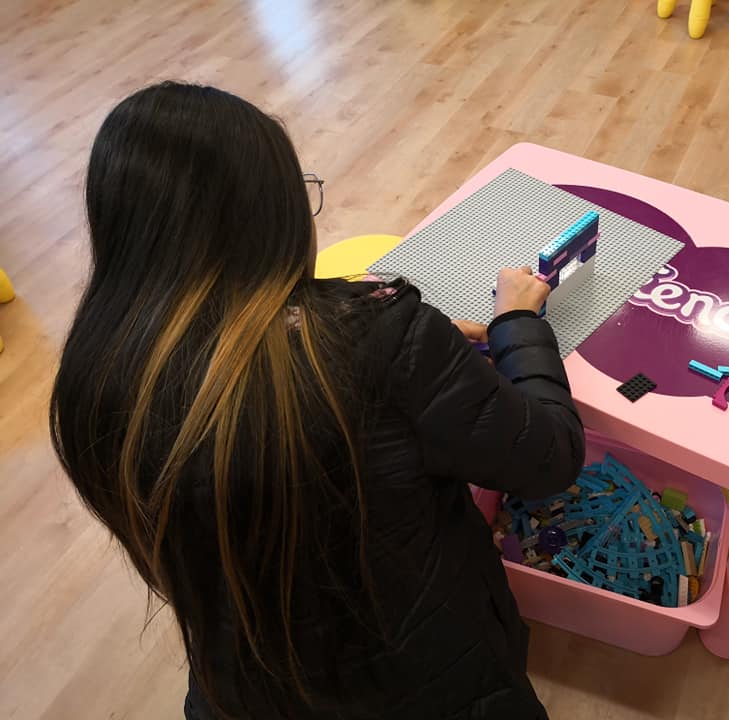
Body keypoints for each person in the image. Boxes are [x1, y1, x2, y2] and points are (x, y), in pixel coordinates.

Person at [50, 82, 585, 720]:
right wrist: (517, 323)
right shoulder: (381, 340)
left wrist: (364, 325)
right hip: (431, 684)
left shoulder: (92, 379)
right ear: (270, 220)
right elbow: (550, 456)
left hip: (244, 696)